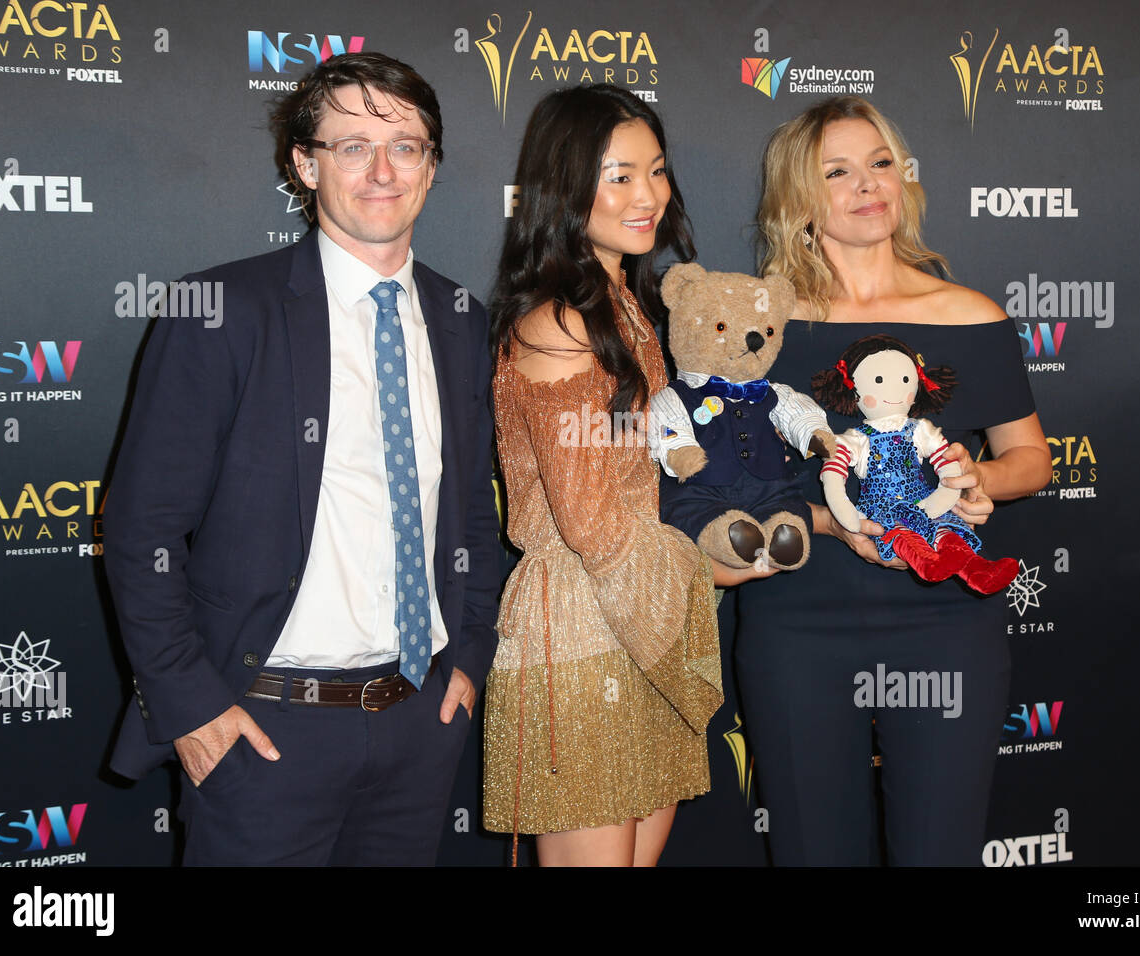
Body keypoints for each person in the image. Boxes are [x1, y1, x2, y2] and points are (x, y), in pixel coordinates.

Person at [104, 52, 500, 865]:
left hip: (419, 727)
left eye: (407, 145)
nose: (382, 170)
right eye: (353, 146)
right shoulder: (221, 313)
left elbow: (470, 513)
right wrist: (190, 708)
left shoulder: (462, 320)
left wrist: (467, 659)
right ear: (305, 163)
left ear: (431, 165)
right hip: (264, 734)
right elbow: (142, 529)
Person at [737, 96, 1051, 865]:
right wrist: (827, 520)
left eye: (880, 163)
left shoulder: (968, 314)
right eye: (836, 171)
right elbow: (727, 483)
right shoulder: (759, 326)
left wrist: (978, 478)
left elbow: (1031, 458)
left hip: (944, 620)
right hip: (797, 623)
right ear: (798, 200)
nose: (866, 184)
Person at [482, 85, 758, 866]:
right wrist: (698, 572)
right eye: (619, 176)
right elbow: (589, 522)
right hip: (580, 628)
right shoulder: (562, 324)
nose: (649, 197)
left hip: (639, 615)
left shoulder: (626, 308)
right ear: (565, 190)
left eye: (658, 171)